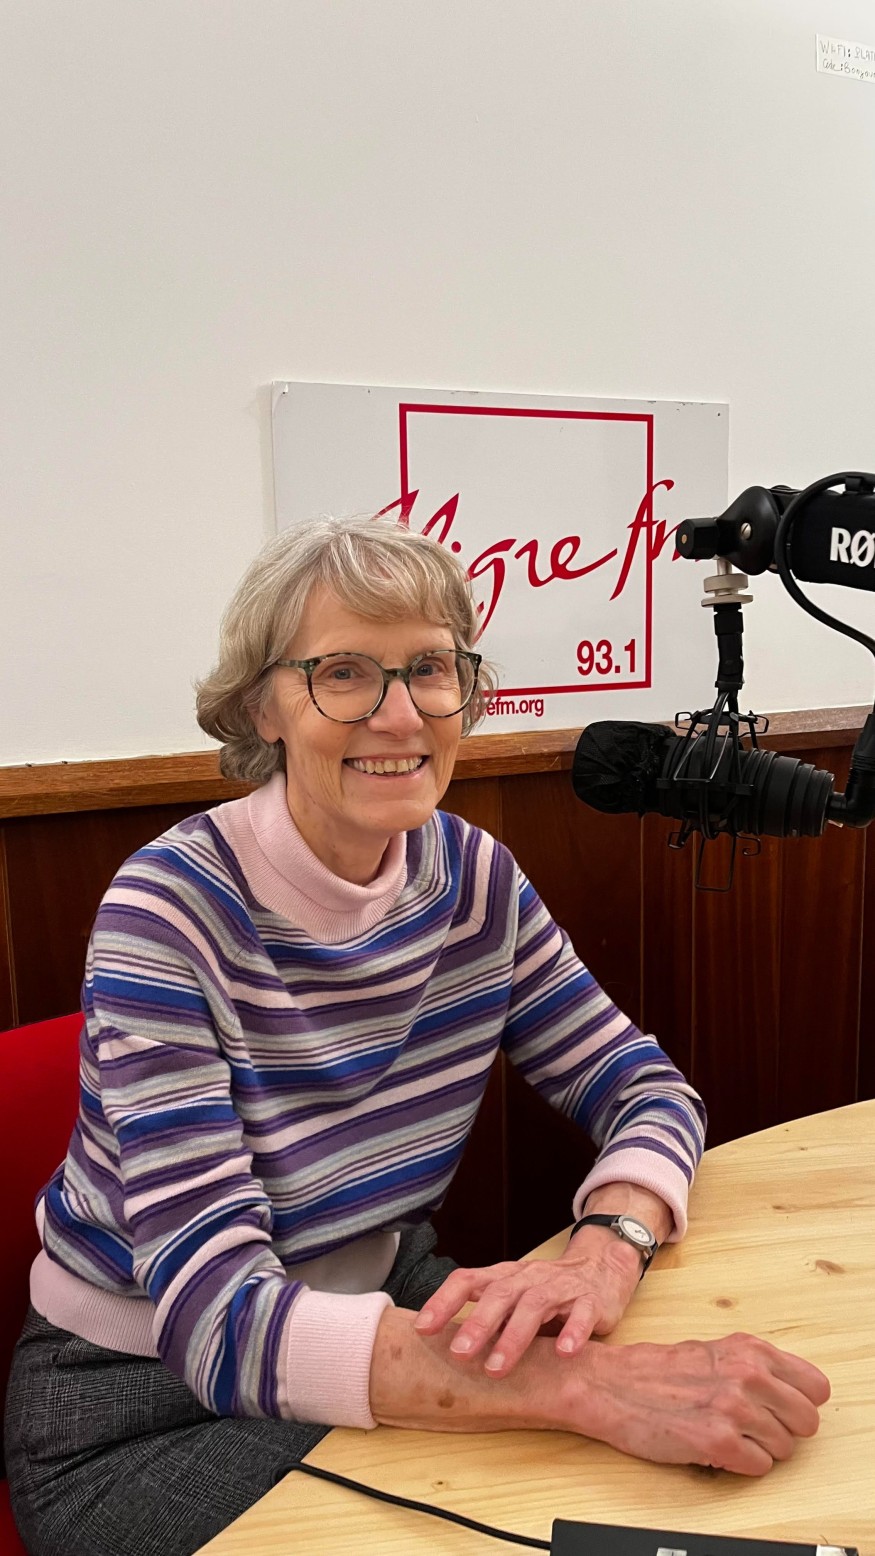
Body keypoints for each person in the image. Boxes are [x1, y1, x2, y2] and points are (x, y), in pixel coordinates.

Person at [5, 517, 830, 1556]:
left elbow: (647, 1090)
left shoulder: (472, 876)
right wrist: (584, 1381)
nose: (398, 714)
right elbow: (220, 1321)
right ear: (262, 705)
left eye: (430, 668)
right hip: (145, 1405)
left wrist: (606, 1248)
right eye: (342, 672)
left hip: (389, 1298)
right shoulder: (168, 909)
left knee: (656, 1494)